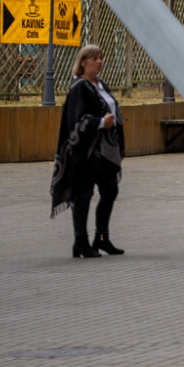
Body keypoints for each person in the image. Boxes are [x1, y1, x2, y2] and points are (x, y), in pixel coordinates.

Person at [51, 44, 123, 259]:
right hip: (87, 153)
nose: (99, 62)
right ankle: (80, 241)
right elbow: (76, 120)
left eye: (101, 58)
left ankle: (102, 238)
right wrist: (100, 122)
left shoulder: (100, 84)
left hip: (106, 152)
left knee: (110, 191)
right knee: (83, 195)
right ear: (83, 62)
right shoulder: (79, 88)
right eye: (94, 58)